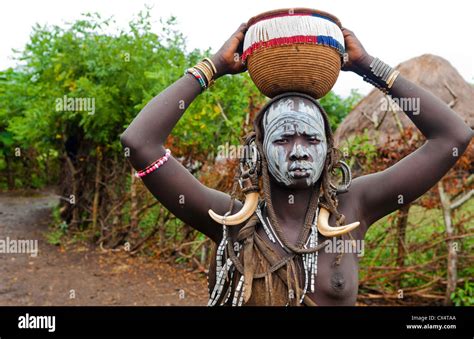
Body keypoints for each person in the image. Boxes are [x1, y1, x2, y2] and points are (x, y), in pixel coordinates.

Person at [120, 23, 473, 306]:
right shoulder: (228, 220)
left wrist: (370, 67)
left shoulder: (354, 209)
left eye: (311, 139)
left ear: (330, 151)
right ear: (257, 151)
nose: (299, 151)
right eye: (283, 139)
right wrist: (212, 67)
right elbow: (139, 144)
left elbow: (452, 138)